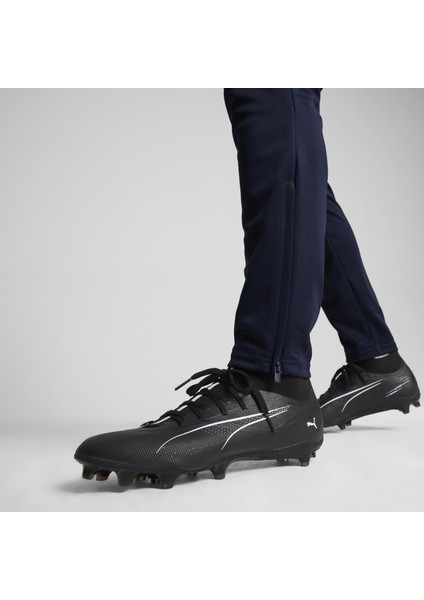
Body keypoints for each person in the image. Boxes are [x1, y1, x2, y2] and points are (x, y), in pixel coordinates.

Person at [74, 88, 420, 489]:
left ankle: (273, 386)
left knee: (272, 97)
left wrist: (276, 372)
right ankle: (376, 359)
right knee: (294, 165)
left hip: (275, 384)